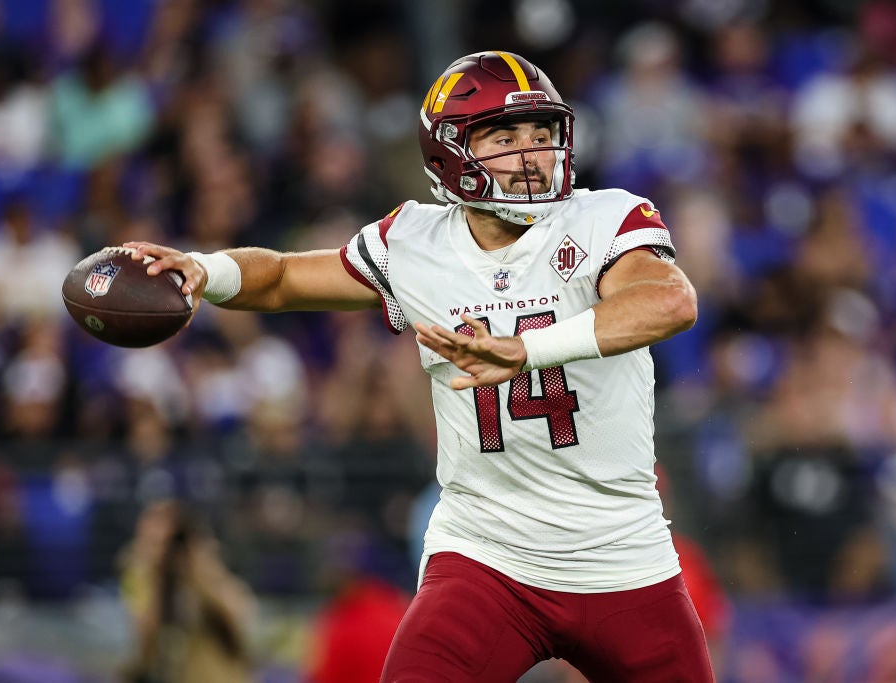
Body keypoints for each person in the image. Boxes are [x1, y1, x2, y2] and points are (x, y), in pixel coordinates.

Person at [126, 51, 711, 682]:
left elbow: (670, 301)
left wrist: (527, 350)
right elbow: (286, 277)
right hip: (489, 556)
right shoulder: (412, 242)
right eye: (505, 137)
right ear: (452, 152)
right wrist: (203, 270)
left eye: (542, 135)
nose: (533, 154)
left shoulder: (605, 218)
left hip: (620, 555)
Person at [119, 500, 254, 683]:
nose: (167, 550)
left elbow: (240, 621)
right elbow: (144, 641)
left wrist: (200, 572)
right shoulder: (141, 576)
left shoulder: (208, 569)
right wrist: (157, 574)